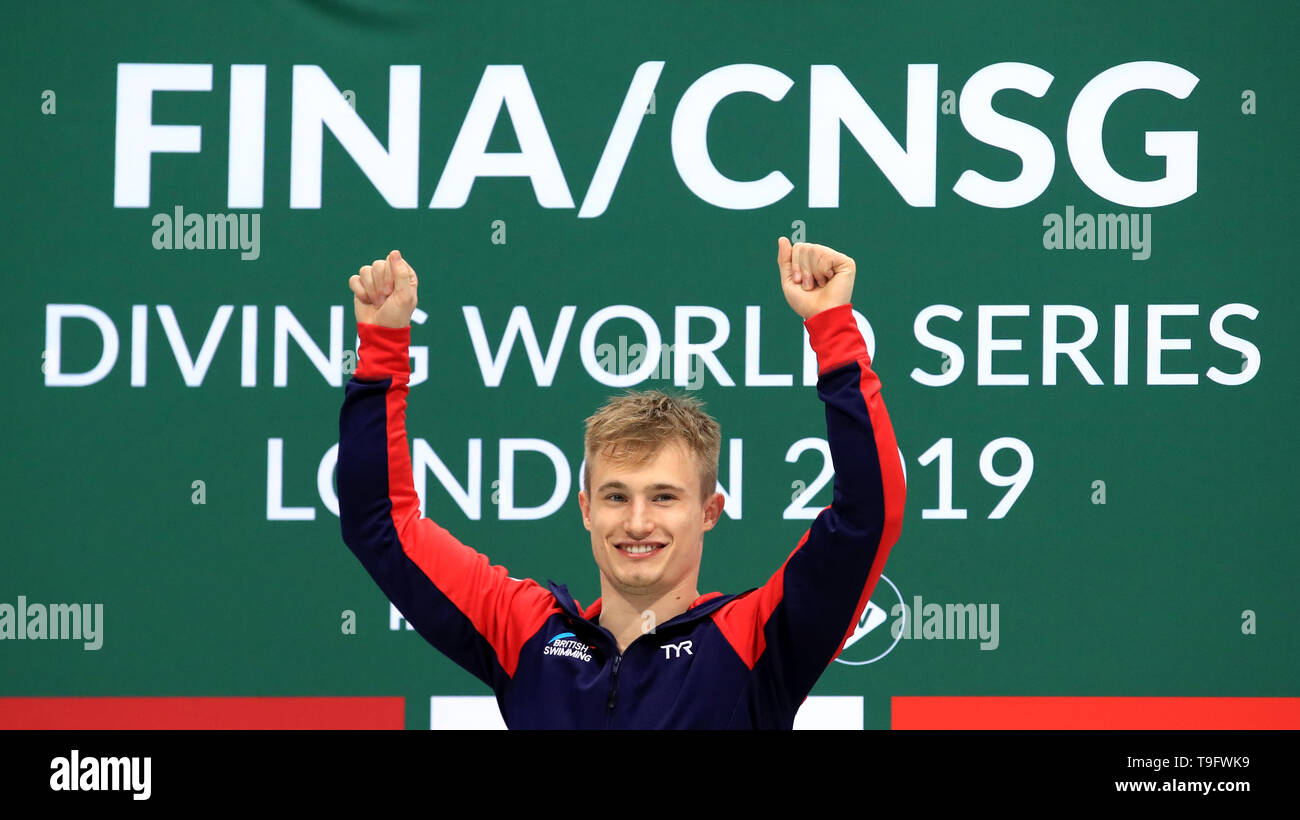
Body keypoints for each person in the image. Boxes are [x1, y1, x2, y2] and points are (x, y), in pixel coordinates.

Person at [338, 239, 906, 729]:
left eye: (664, 497)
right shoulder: (526, 633)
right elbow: (381, 526)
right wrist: (383, 345)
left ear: (710, 510)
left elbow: (867, 517)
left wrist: (832, 326)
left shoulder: (755, 641)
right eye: (616, 496)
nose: (637, 522)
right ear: (585, 507)